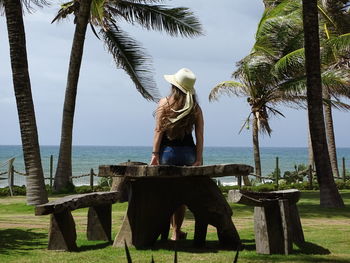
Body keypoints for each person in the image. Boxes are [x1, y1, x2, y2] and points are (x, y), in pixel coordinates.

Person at [150, 68, 204, 241]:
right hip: (188, 154)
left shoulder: (164, 103)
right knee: (180, 196)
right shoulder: (195, 107)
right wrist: (198, 158)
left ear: (174, 86)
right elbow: (200, 135)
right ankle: (176, 232)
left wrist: (155, 154)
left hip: (168, 154)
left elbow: (158, 131)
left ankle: (161, 232)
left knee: (166, 193)